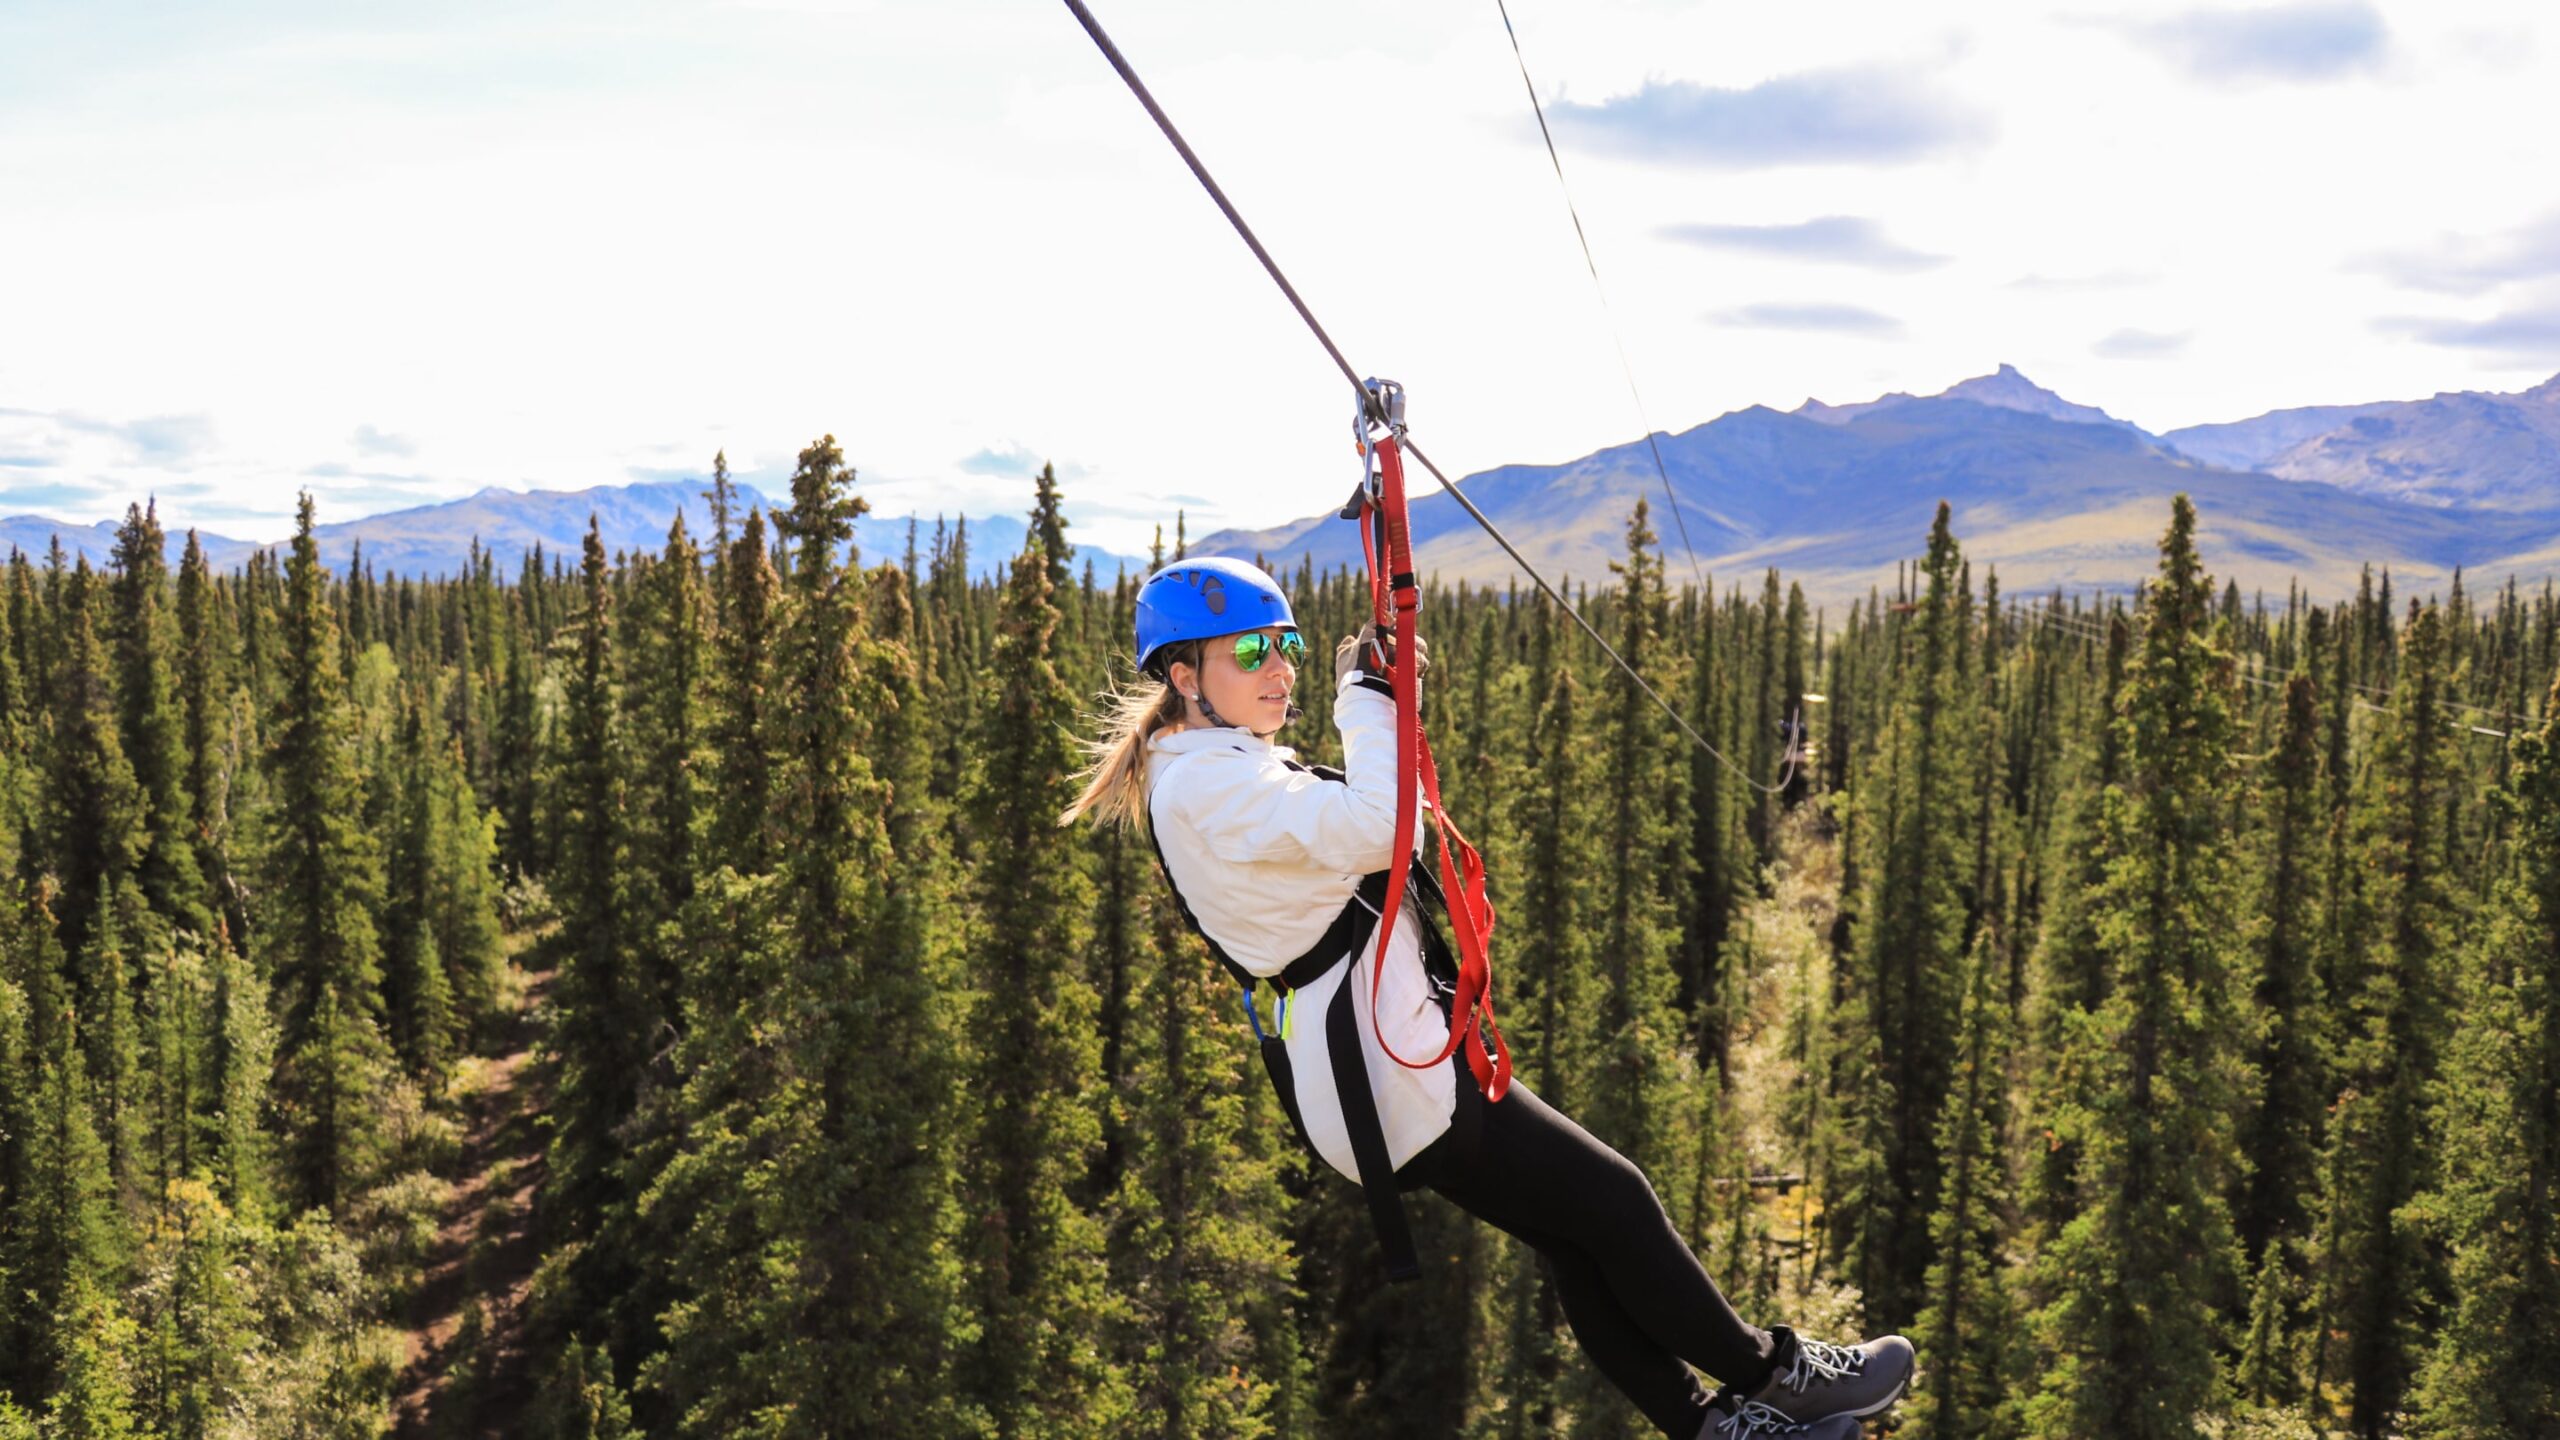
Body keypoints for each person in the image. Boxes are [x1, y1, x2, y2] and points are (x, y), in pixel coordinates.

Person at [1061, 556, 1914, 1440]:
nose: (1280, 666)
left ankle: (1708, 1426)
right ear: (1184, 676)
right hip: (1390, 1073)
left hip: (1380, 1059)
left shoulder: (1216, 763)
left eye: (1288, 644)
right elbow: (1378, 830)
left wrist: (1383, 695)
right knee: (1613, 1201)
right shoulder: (1209, 783)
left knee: (1579, 1232)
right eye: (1252, 650)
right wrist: (1367, 699)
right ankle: (1778, 1377)